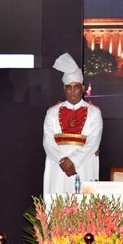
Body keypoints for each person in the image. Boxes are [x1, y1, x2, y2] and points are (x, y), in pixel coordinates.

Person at [43, 53, 103, 194]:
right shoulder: (52, 111)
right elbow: (48, 141)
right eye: (69, 87)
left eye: (76, 87)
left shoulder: (94, 112)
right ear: (64, 89)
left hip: (84, 164)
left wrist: (73, 161)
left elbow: (93, 141)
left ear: (82, 89)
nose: (72, 92)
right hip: (58, 165)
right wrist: (62, 162)